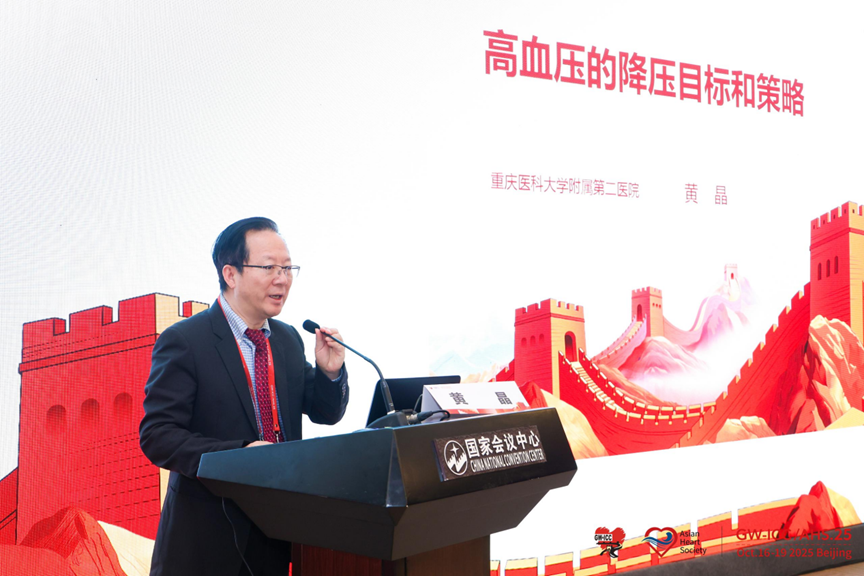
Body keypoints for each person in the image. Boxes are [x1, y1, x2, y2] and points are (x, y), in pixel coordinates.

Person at [140, 217, 349, 576]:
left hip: (276, 535)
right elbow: (158, 436)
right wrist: (241, 456)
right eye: (269, 268)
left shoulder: (286, 339)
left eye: (288, 268)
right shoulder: (186, 340)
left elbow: (324, 413)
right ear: (231, 274)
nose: (282, 279)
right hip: (205, 542)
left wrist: (330, 373)